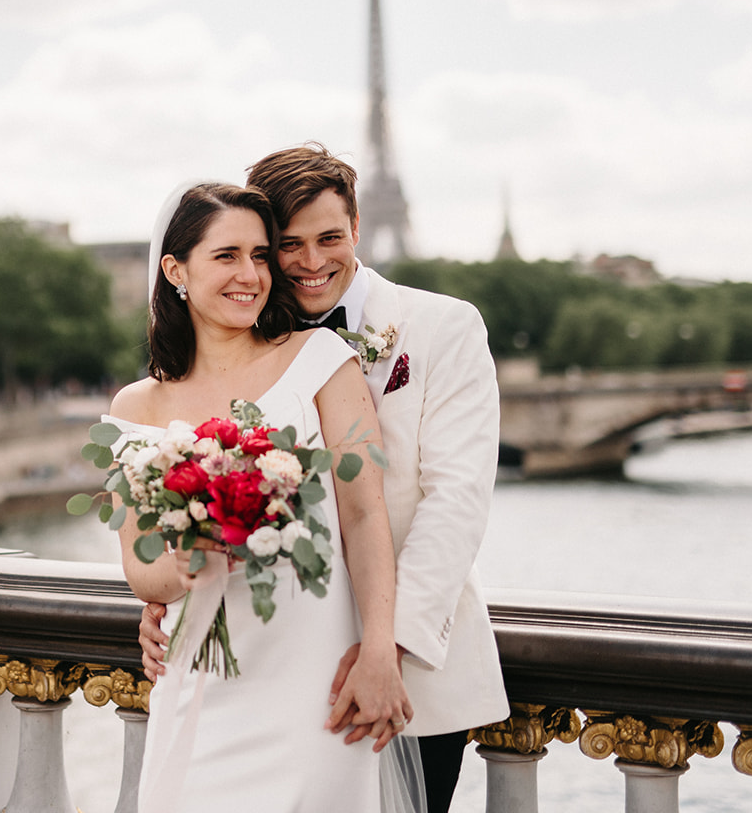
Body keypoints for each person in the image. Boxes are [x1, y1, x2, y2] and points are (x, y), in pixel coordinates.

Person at [138, 147, 509, 813]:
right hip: (272, 662)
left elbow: (455, 503)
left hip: (407, 662)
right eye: (288, 245)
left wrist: (385, 647)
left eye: (329, 238)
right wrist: (172, 586)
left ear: (359, 226)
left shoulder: (445, 327)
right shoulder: (244, 341)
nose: (311, 261)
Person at [108, 181, 416, 813]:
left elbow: (363, 514)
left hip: (315, 681)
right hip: (199, 676)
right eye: (226, 256)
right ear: (175, 270)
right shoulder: (135, 409)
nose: (251, 274)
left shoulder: (324, 360)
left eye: (259, 255)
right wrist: (194, 551)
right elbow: (144, 571)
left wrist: (381, 649)